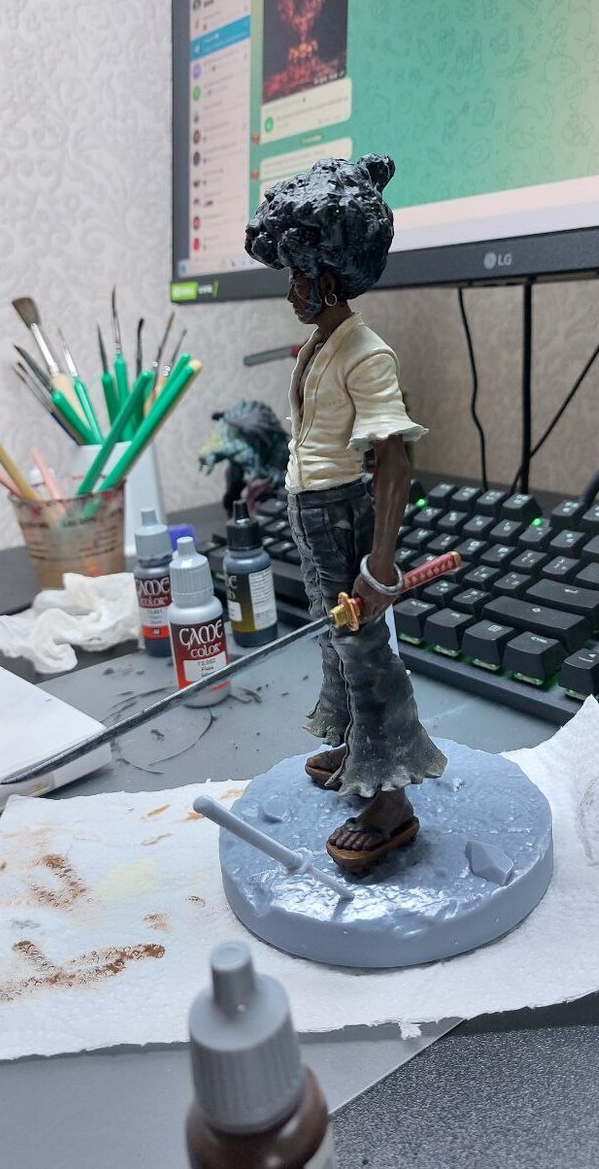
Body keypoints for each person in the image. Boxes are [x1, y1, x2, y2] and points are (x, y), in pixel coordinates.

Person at [245, 154, 446, 871]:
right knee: (334, 641)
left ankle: (391, 802)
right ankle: (358, 748)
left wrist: (379, 566)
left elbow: (394, 462)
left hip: (339, 518)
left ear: (328, 275)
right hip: (311, 514)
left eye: (298, 277)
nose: (291, 291)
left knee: (364, 650)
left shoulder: (365, 352)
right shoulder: (323, 344)